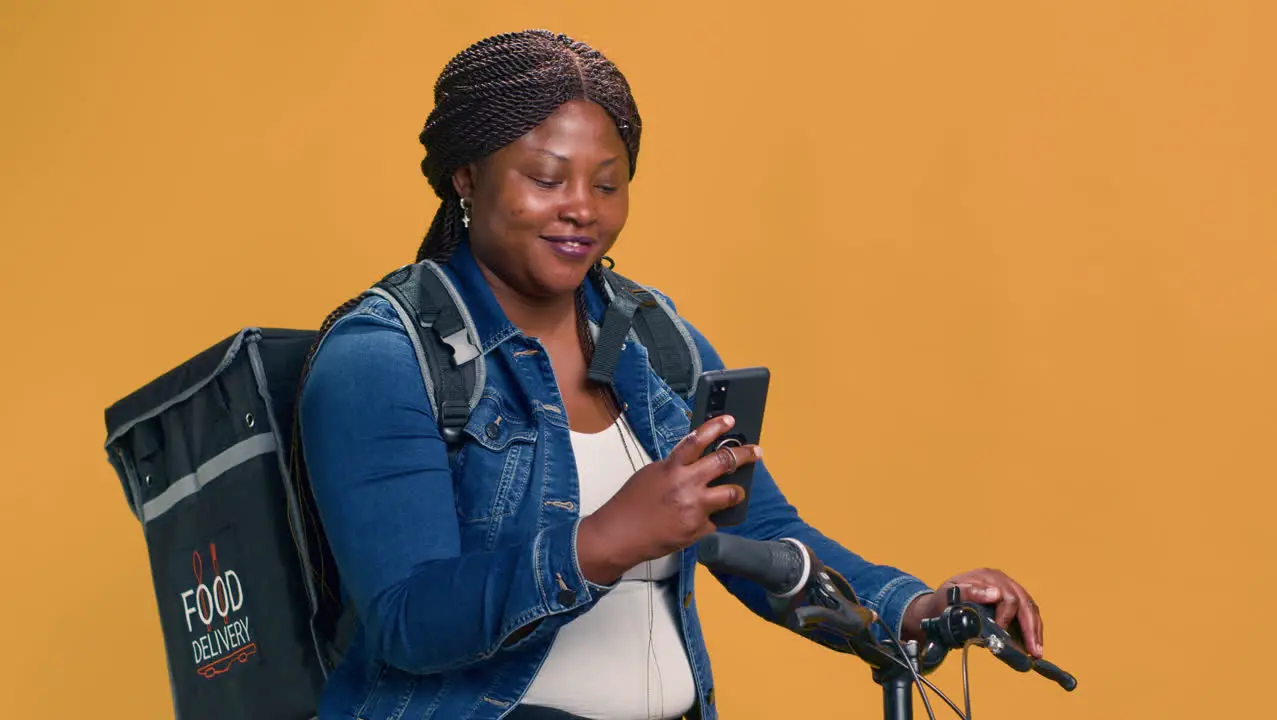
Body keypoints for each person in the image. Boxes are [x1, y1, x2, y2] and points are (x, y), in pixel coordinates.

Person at [297, 29, 1045, 720]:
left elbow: (762, 532)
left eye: (608, 184)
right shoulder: (383, 357)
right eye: (548, 179)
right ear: (467, 175)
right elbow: (406, 618)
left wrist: (918, 606)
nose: (581, 211)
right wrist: (604, 540)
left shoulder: (655, 338)